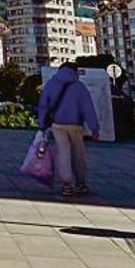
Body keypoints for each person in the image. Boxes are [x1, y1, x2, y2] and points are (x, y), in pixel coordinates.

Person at [35, 62, 99, 196]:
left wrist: (41, 125)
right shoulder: (79, 87)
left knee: (63, 153)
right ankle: (80, 183)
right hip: (76, 125)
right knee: (79, 154)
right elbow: (88, 108)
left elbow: (43, 106)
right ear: (75, 72)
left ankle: (66, 184)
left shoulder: (51, 84)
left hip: (57, 125)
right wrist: (94, 129)